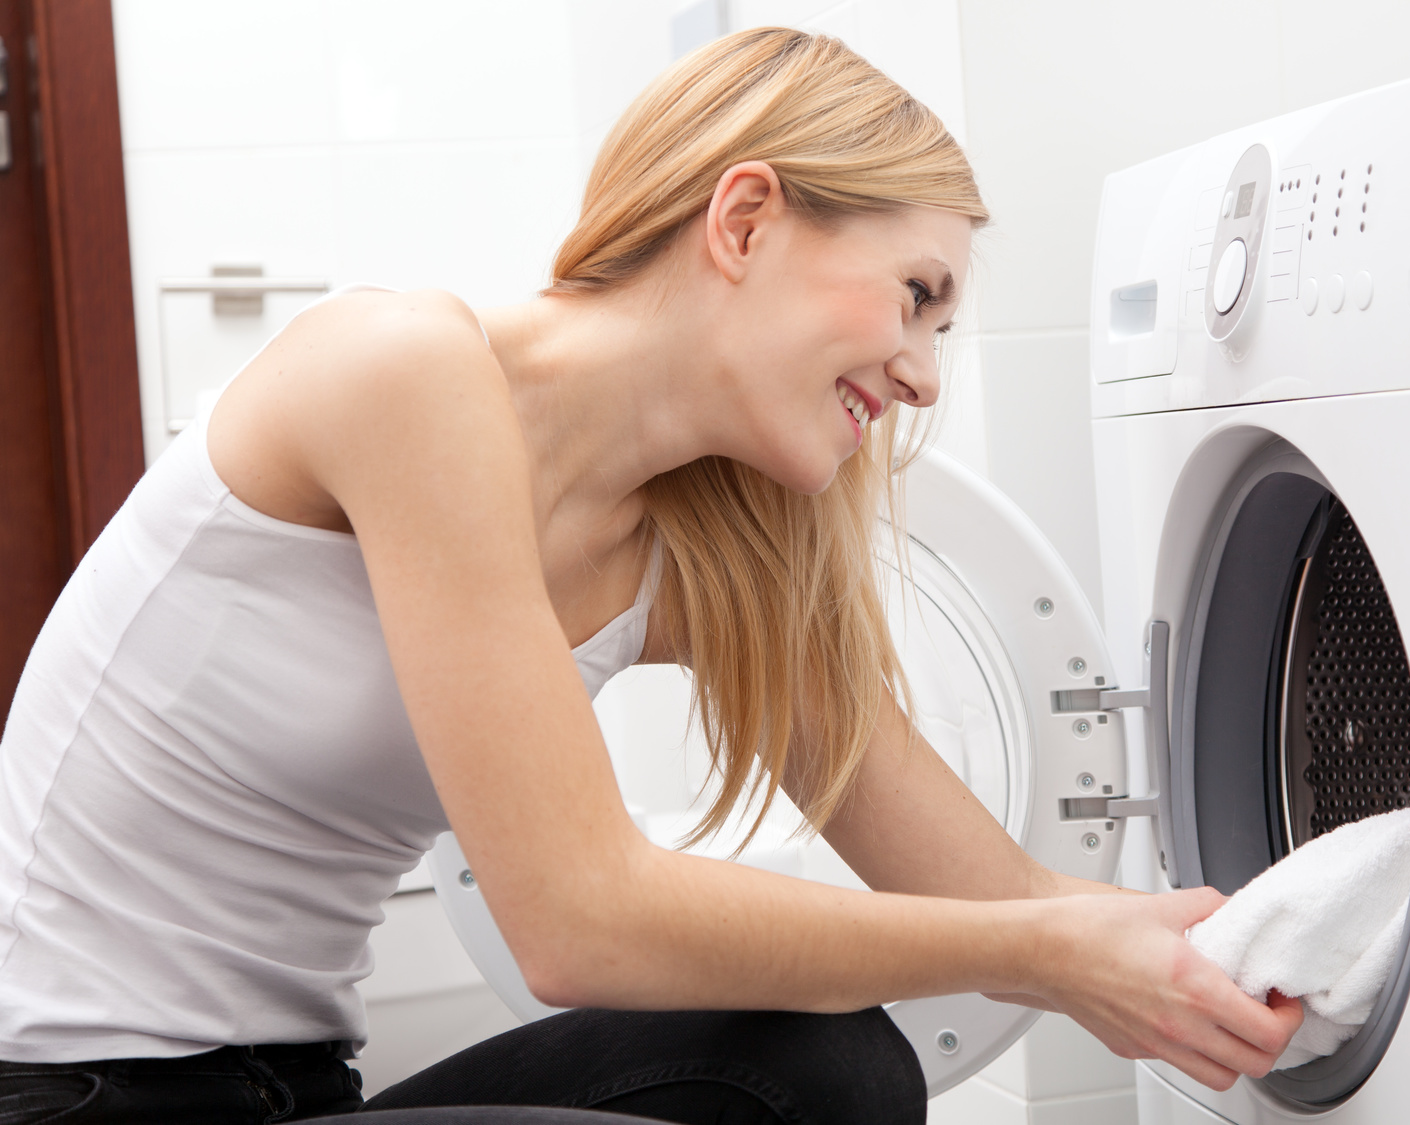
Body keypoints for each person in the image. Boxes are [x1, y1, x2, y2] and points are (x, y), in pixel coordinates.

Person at [0, 27, 1300, 1125]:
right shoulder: (395, 366)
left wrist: (1254, 946)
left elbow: (997, 890)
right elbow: (577, 923)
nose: (921, 375)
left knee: (832, 1070)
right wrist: (1043, 955)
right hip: (70, 1094)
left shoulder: (701, 557)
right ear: (743, 219)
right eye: (915, 295)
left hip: (298, 1090)